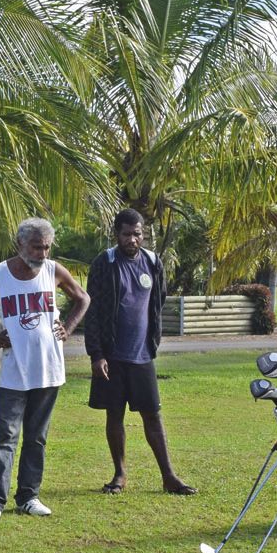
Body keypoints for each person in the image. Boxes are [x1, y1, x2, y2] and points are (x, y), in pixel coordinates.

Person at [0, 217, 90, 526]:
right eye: (35, 247)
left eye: (46, 247)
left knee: (37, 437)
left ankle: (29, 497)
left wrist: (68, 327)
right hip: (15, 371)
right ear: (20, 245)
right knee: (6, 436)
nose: (41, 254)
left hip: (49, 369)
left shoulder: (54, 271)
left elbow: (83, 298)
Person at [84, 208, 195, 497]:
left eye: (137, 233)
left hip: (142, 354)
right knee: (114, 415)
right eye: (126, 234)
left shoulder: (153, 262)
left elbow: (157, 301)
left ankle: (169, 476)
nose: (132, 239)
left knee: (153, 415)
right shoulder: (104, 263)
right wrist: (96, 354)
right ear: (116, 234)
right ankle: (120, 474)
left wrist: (153, 340)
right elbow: (92, 310)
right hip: (111, 355)